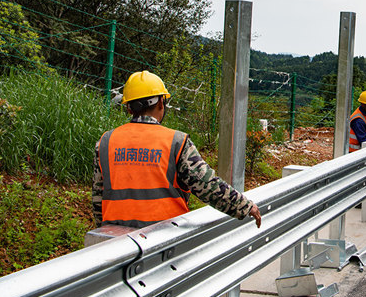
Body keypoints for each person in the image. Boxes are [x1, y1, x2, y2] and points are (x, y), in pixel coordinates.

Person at [93, 70, 262, 229]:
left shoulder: (106, 142)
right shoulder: (175, 142)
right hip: (163, 238)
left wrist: (104, 232)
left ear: (129, 108)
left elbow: (98, 198)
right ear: (161, 102)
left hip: (116, 239)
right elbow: (206, 185)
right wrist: (244, 206)